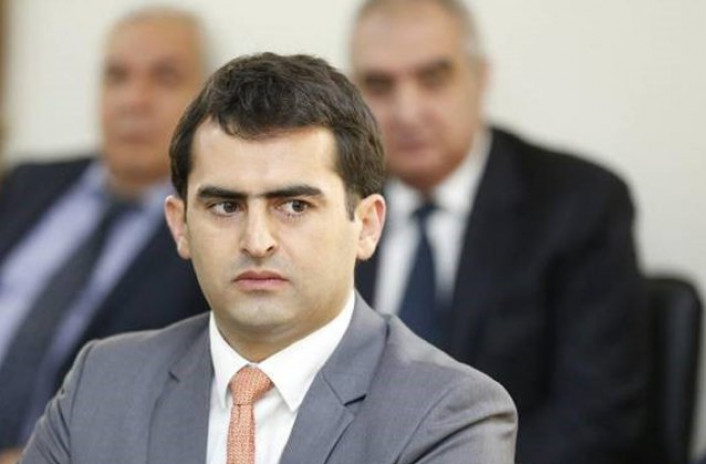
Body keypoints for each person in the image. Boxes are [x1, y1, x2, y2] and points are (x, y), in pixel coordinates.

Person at [20, 52, 518, 464]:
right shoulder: (101, 384)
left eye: (294, 206)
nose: (257, 241)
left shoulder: (449, 413)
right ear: (180, 225)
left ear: (367, 226)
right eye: (225, 206)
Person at [349, 0, 649, 463]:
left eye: (433, 78)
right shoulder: (329, 206)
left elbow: (597, 418)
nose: (407, 112)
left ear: (481, 78)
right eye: (380, 86)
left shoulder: (578, 204)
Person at [0, 7, 209, 458]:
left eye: (165, 78)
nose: (134, 100)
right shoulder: (25, 184)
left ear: (206, 102)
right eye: (117, 77)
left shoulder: (211, 231)